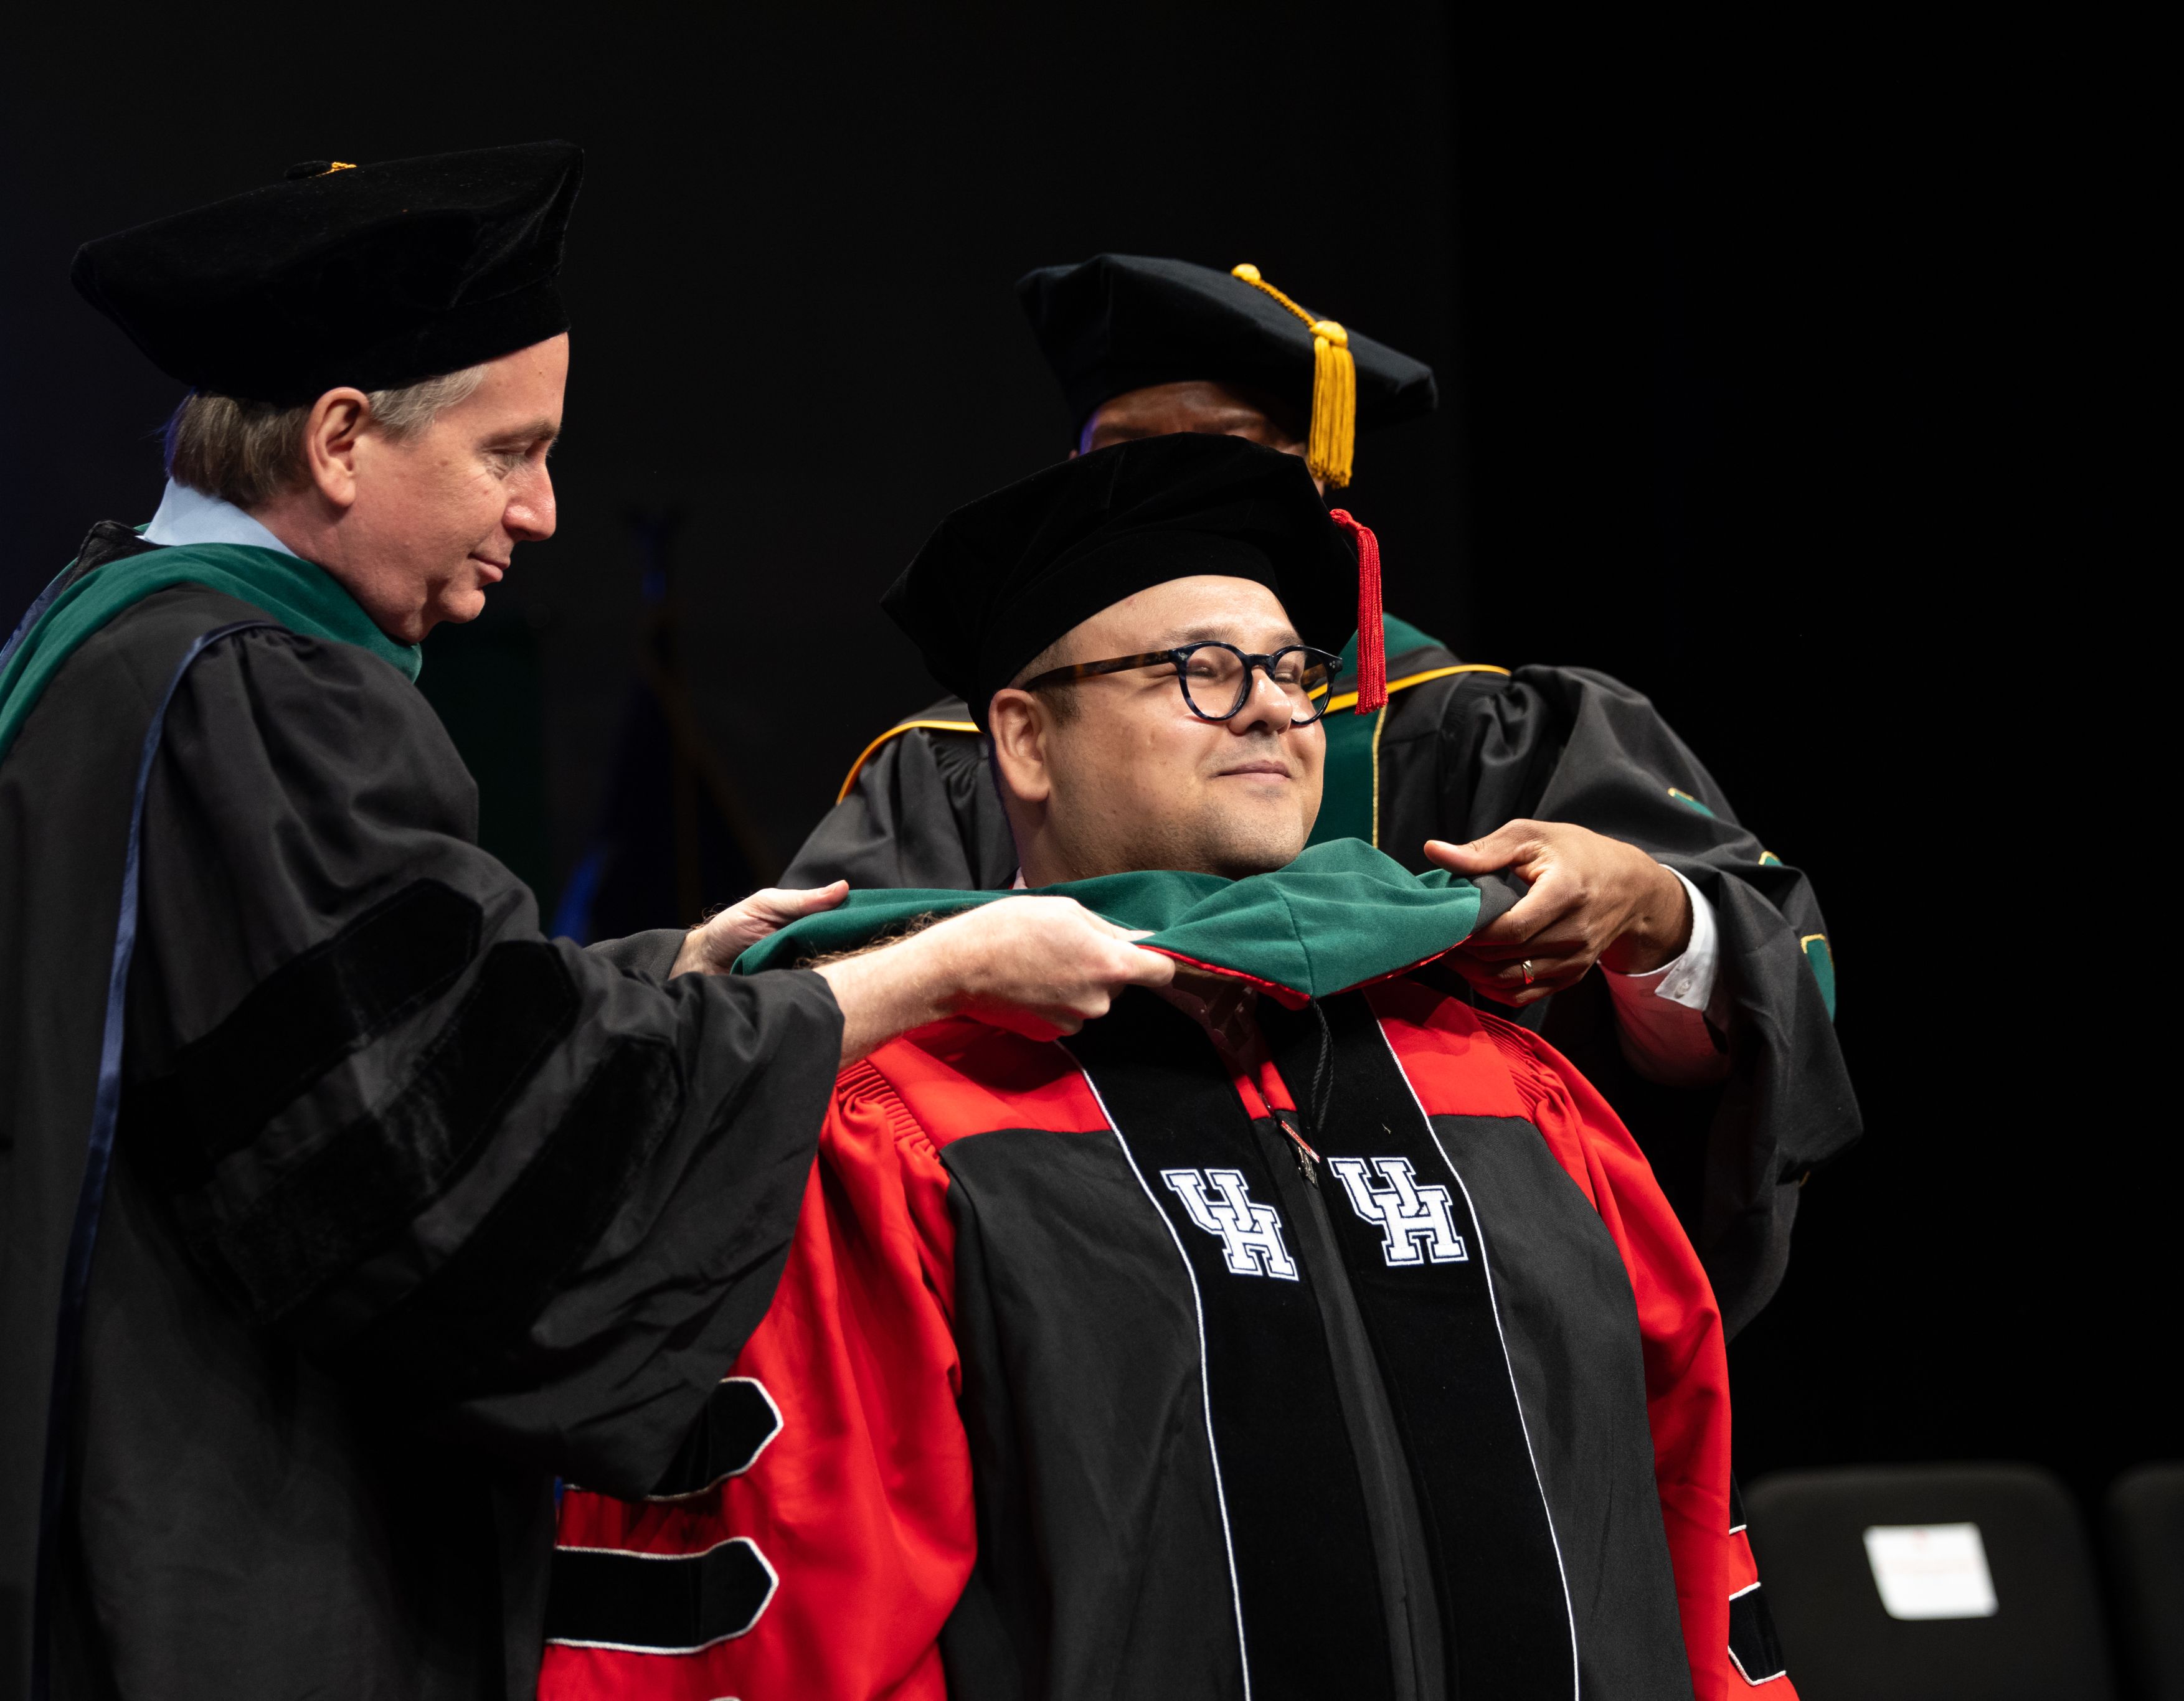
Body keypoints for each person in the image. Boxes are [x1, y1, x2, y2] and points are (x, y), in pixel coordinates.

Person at [0, 144, 1168, 1701]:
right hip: (227, 1522)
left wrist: (660, 972)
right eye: (511, 451)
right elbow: (434, 1171)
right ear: (342, 439)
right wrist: (929, 973)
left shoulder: (96, 644)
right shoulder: (272, 701)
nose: (543, 510)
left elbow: (360, 1038)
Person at [543, 433, 1796, 1701]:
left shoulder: (1510, 1090)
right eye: (1198, 670)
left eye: (1294, 673)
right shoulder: (897, 1126)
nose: (1268, 704)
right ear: (1024, 741)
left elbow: (1680, 1518)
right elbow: (800, 1631)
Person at [786, 253, 1861, 1336]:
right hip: (1089, 1321)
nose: (1171, 491)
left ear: (1320, 484)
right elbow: (804, 1055)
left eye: (1225, 456)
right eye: (1126, 457)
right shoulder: (957, 758)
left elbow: (1759, 1014)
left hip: (1476, 1317)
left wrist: (1648, 915)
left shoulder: (1487, 734)